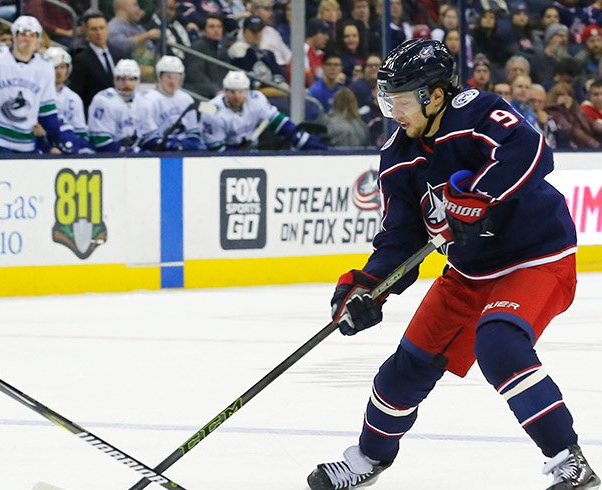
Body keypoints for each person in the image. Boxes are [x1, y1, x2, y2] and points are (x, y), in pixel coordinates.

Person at [307, 39, 599, 490]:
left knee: (499, 345)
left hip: (536, 258)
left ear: (435, 95)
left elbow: (532, 151)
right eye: (388, 100)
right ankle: (368, 459)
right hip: (467, 272)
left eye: (401, 100)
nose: (393, 111)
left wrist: (477, 195)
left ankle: (570, 461)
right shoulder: (397, 158)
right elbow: (402, 237)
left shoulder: (476, 112)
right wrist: (367, 287)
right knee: (404, 369)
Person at [0, 15, 79, 154]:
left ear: (38, 39)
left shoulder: (45, 68)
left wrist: (59, 136)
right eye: (22, 34)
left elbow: (47, 113)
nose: (27, 39)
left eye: (32, 35)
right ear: (14, 36)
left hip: (25, 143)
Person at [202, 70, 325, 151]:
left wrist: (299, 137)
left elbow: (278, 121)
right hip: (222, 158)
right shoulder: (211, 111)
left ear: (247, 90)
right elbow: (215, 150)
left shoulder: (257, 99)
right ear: (224, 91)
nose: (236, 96)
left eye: (241, 91)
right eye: (232, 91)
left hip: (252, 152)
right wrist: (237, 153)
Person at [134, 55, 204, 151]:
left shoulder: (186, 99)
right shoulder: (147, 100)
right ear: (159, 77)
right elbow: (148, 138)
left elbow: (193, 132)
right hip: (156, 152)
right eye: (169, 77)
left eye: (176, 77)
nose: (173, 82)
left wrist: (186, 144)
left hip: (182, 148)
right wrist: (169, 144)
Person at [39, 46, 89, 153]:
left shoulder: (74, 98)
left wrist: (71, 146)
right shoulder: (37, 93)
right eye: (55, 67)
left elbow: (81, 133)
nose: (59, 72)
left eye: (62, 67)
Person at [69, 10, 116, 119]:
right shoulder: (81, 60)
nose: (99, 33)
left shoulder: (118, 53)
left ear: (107, 29)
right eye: (94, 29)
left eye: (102, 28)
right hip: (95, 116)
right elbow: (78, 94)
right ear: (86, 31)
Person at [87, 58, 141, 152]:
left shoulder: (142, 101)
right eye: (122, 79)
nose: (127, 84)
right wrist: (122, 150)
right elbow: (99, 139)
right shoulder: (103, 100)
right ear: (115, 80)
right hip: (104, 157)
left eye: (131, 79)